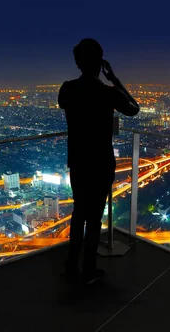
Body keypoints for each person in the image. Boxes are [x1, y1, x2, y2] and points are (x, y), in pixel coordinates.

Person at [58, 38, 140, 285]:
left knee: (78, 213)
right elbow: (134, 108)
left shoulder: (67, 89)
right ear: (100, 63)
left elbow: (64, 103)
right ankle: (88, 270)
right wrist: (114, 79)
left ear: (78, 63)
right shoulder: (108, 93)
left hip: (79, 163)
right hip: (101, 164)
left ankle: (71, 265)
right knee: (94, 219)